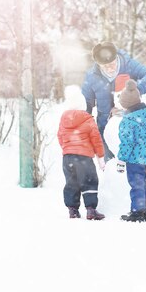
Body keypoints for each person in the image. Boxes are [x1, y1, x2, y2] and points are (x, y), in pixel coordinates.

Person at [82, 41, 146, 161]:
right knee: (112, 169)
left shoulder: (128, 65)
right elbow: (86, 103)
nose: (110, 68)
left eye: (112, 64)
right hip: (106, 129)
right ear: (98, 64)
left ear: (117, 58)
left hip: (132, 124)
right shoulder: (92, 76)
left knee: (134, 166)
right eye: (105, 66)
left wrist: (134, 90)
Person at [57, 85, 106, 220]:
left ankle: (72, 210)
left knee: (71, 183)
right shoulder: (88, 119)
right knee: (89, 181)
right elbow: (96, 139)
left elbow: (60, 136)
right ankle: (91, 210)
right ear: (82, 104)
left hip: (67, 158)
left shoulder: (63, 119)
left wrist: (67, 148)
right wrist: (100, 156)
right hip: (84, 157)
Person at [116, 79, 146, 222]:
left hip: (135, 160)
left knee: (136, 185)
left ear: (126, 104)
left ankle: (137, 211)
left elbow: (127, 142)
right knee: (145, 183)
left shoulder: (127, 121)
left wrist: (121, 159)